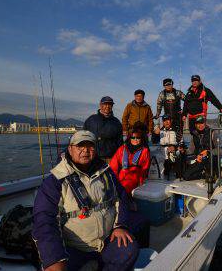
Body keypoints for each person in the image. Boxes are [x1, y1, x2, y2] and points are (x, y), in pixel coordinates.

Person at [32, 131, 138, 271]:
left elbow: (122, 197)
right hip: (73, 247)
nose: (86, 150)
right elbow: (44, 220)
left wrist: (120, 226)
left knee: (130, 249)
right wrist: (54, 259)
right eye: (80, 146)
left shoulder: (106, 172)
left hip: (106, 240)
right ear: (70, 149)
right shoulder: (55, 181)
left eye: (91, 146)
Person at [110, 122, 151, 195]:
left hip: (135, 179)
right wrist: (114, 182)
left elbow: (145, 169)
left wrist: (141, 182)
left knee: (124, 191)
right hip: (121, 178)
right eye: (133, 137)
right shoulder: (122, 149)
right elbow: (113, 167)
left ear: (141, 139)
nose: (135, 139)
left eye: (138, 138)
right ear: (129, 138)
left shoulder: (145, 151)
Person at [83, 96, 123, 163]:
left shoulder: (117, 122)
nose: (107, 106)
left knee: (111, 173)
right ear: (100, 105)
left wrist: (119, 157)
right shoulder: (91, 120)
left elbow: (120, 142)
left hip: (111, 158)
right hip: (94, 157)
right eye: (105, 104)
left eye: (110, 104)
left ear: (112, 106)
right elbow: (84, 137)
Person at [182, 116, 219, 181]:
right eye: (198, 124)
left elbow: (221, 150)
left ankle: (212, 175)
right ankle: (203, 174)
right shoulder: (194, 135)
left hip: (210, 160)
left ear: (205, 123)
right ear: (195, 125)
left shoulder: (212, 133)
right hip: (200, 160)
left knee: (211, 158)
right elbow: (191, 150)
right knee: (186, 176)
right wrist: (183, 150)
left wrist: (208, 152)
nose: (200, 125)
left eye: (201, 123)